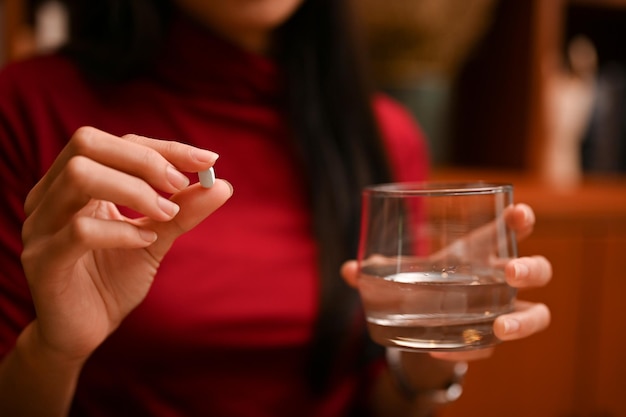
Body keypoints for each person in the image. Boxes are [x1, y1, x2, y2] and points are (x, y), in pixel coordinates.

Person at [0, 0, 552, 416]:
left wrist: (431, 342)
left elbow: (374, 401)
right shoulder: (30, 108)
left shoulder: (382, 135)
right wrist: (54, 351)